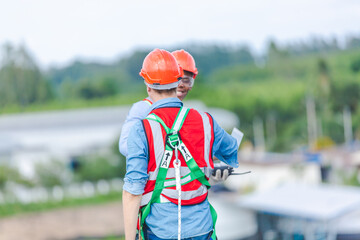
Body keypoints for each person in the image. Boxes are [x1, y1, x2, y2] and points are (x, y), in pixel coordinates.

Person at [122, 49, 239, 240]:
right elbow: (231, 148)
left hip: (161, 230)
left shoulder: (140, 129)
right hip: (201, 229)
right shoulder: (205, 120)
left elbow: (132, 192)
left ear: (147, 85)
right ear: (178, 81)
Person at [119, 49, 197, 157]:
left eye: (186, 80)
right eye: (178, 78)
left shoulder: (185, 113)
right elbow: (126, 146)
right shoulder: (142, 108)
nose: (181, 84)